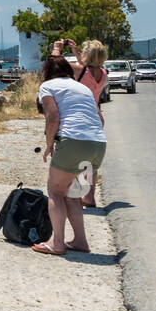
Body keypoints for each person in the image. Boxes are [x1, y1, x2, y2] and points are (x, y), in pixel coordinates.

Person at [33, 55, 107, 255]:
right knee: (73, 194)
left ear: (48, 72)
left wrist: (49, 145)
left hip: (73, 142)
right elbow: (100, 118)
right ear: (68, 70)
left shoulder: (47, 86)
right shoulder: (83, 88)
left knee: (56, 191)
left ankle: (57, 243)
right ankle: (80, 241)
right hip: (98, 144)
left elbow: (52, 117)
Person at [52, 38, 108, 206]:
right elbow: (87, 70)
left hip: (78, 117)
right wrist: (76, 51)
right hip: (96, 117)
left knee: (72, 154)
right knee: (91, 162)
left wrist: (57, 48)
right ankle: (89, 196)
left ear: (87, 55)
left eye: (84, 52)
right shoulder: (103, 73)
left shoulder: (79, 70)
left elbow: (55, 64)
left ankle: (69, 193)